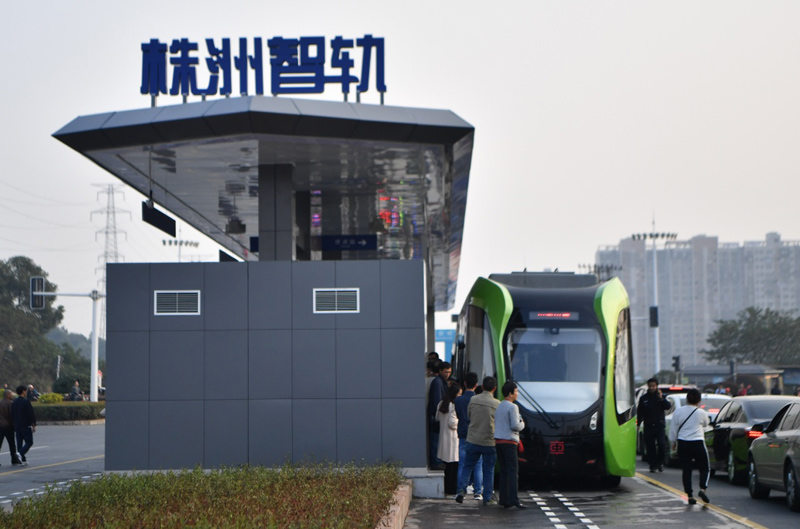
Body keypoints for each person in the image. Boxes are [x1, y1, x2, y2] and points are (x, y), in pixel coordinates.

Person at [455, 376, 499, 506]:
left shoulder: (473, 400)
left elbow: (469, 416)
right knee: (488, 469)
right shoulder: (497, 404)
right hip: (489, 441)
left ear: (483, 386)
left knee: (468, 467)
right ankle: (487, 497)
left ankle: (461, 491)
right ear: (494, 388)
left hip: (473, 439)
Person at [669, 388, 711, 505]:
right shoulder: (701, 412)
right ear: (699, 400)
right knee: (705, 467)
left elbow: (674, 428)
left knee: (687, 470)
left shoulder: (678, 411)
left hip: (683, 443)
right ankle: (702, 489)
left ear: (687, 399)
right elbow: (706, 424)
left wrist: (673, 442)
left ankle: (690, 495)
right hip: (697, 442)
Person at [495, 380, 526, 509]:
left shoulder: (500, 405)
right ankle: (514, 499)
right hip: (509, 441)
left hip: (498, 441)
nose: (517, 394)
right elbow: (515, 425)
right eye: (516, 391)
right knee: (513, 471)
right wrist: (522, 423)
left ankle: (504, 499)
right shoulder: (513, 407)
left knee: (504, 471)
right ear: (510, 393)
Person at [454, 372, 483, 501]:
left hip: (463, 434)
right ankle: (478, 492)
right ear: (476, 385)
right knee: (478, 464)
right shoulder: (478, 400)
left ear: (464, 384)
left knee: (463, 464)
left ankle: (461, 490)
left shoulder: (458, 400)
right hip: (476, 434)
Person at [637, 378, 670, 472]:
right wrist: (638, 424)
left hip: (659, 425)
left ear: (656, 386)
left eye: (653, 386)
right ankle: (652, 465)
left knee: (662, 445)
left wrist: (661, 398)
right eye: (650, 386)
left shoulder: (661, 396)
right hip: (648, 425)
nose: (652, 388)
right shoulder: (644, 398)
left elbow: (668, 406)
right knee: (650, 447)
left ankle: (660, 462)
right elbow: (640, 412)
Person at [437, 384, 462, 495]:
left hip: (443, 437)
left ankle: (447, 488)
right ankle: (452, 489)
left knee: (447, 466)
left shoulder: (441, 404)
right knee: (453, 466)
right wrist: (460, 421)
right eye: (459, 394)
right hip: (452, 438)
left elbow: (437, 418)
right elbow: (452, 423)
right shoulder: (453, 406)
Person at [427, 362, 451, 470]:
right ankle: (436, 462)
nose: (448, 374)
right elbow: (437, 401)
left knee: (438, 439)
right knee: (435, 440)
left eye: (449, 372)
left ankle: (437, 461)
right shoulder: (438, 382)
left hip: (438, 415)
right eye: (446, 372)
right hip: (436, 416)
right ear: (440, 371)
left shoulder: (441, 381)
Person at [11, 385, 36, 465]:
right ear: (23, 391)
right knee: (29, 441)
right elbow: (30, 414)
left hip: (17, 425)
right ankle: (20, 453)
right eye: (25, 391)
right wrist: (33, 424)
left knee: (19, 442)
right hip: (25, 424)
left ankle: (23, 459)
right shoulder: (26, 401)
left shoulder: (14, 402)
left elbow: (12, 414)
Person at [0, 390, 22, 466]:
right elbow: (11, 415)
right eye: (11, 394)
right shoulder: (10, 403)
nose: (12, 395)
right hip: (8, 426)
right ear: (8, 395)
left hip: (0, 426)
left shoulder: (0, 402)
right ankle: (14, 459)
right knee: (12, 444)